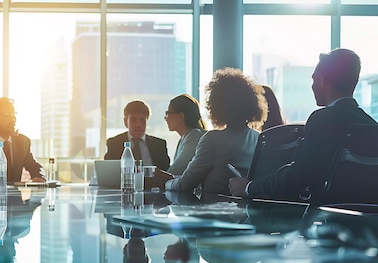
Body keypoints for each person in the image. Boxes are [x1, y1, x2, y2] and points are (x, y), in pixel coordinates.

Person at [229, 48, 377, 201]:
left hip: (323, 218)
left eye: (313, 79)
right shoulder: (371, 126)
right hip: (366, 218)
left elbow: (297, 177)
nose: (312, 86)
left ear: (321, 80)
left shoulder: (322, 120)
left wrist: (248, 187)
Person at [157, 67, 267, 195]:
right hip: (247, 211)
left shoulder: (213, 140)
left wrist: (165, 183)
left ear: (216, 104)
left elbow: (185, 184)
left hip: (216, 210)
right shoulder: (259, 139)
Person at [104, 100, 171, 170]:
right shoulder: (114, 143)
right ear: (125, 122)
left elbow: (167, 174)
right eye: (133, 120)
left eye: (142, 120)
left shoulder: (159, 145)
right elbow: (107, 172)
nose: (138, 124)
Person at [164, 94, 207, 175]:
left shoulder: (194, 136)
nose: (165, 118)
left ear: (181, 116)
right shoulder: (183, 138)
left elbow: (174, 172)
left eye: (168, 113)